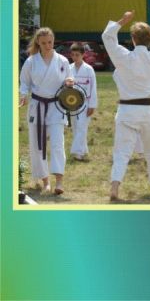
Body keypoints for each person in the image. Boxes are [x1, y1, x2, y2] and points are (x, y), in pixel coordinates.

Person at [102, 8, 150, 201]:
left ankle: (115, 187)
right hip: (149, 111)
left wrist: (122, 20)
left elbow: (107, 37)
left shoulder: (124, 57)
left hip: (127, 110)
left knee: (121, 151)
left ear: (133, 39)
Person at [19, 27, 73, 195]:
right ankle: (45, 181)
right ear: (38, 42)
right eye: (44, 43)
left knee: (57, 143)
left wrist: (69, 82)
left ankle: (59, 181)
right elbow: (24, 81)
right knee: (38, 145)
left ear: (53, 40)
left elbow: (69, 78)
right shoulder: (31, 61)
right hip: (37, 105)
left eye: (50, 42)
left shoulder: (62, 60)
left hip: (56, 106)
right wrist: (23, 94)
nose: (48, 46)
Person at [69, 43, 98, 161]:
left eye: (77, 55)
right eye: (73, 55)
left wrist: (92, 105)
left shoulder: (89, 69)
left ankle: (77, 152)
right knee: (76, 127)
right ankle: (83, 150)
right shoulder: (69, 68)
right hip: (71, 103)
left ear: (83, 55)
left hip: (85, 103)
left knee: (82, 126)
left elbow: (93, 88)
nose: (75, 57)